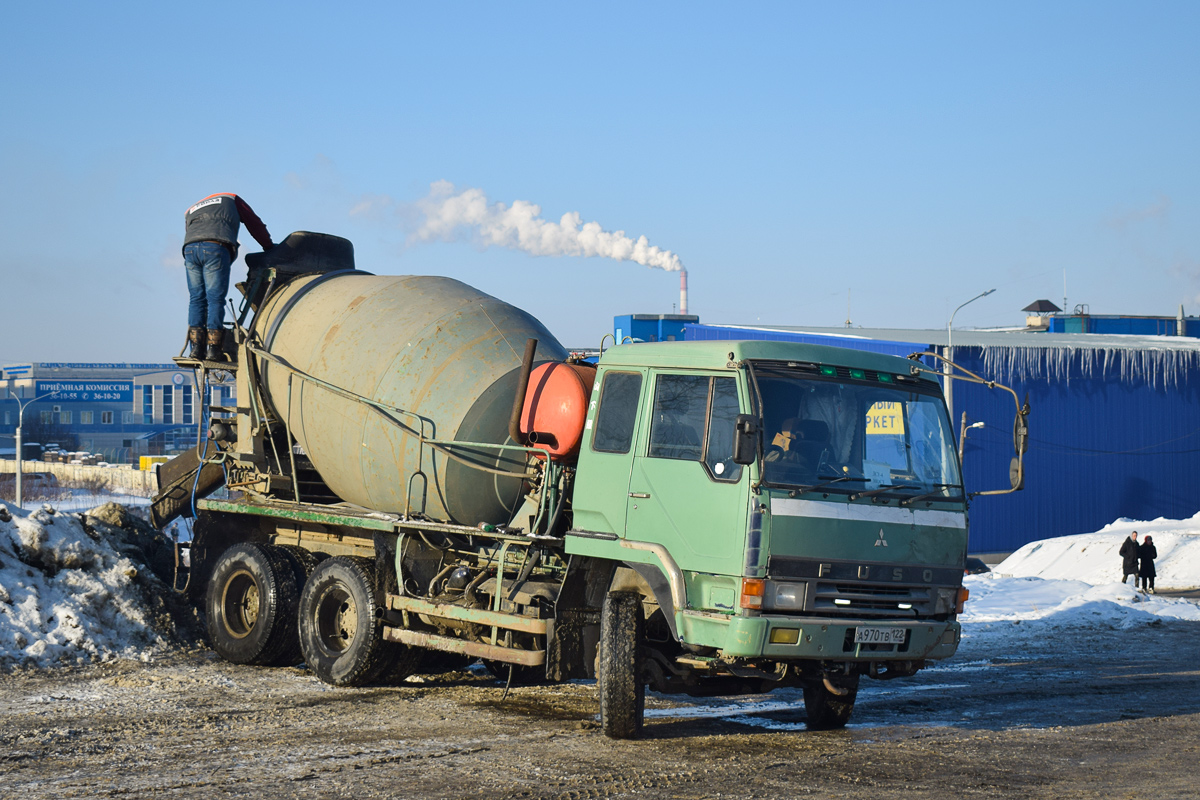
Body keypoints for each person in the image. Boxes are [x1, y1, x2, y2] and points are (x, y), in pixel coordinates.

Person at [183, 193, 274, 361]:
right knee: (215, 299)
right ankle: (213, 350)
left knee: (196, 299)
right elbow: (254, 223)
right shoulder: (232, 199)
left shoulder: (191, 209)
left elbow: (190, 231)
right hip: (215, 246)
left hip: (189, 248)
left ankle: (195, 350)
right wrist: (268, 246)